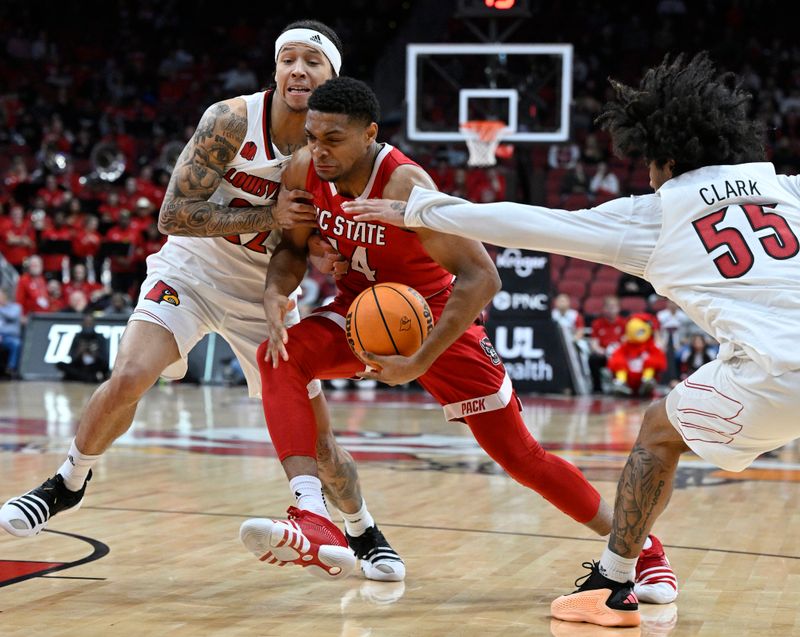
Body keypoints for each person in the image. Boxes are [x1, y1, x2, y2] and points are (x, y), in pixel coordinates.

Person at [342, 51, 793, 627]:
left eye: (648, 163)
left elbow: (532, 223)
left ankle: (614, 584)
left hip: (774, 373)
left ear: (669, 158)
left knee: (658, 434)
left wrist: (423, 209)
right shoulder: (788, 189)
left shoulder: (656, 215)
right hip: (772, 359)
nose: (646, 175)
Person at [0, 20, 404, 584]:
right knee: (131, 374)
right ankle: (66, 482)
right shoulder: (231, 120)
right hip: (190, 270)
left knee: (319, 443)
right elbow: (172, 215)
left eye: (313, 62)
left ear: (332, 78)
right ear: (275, 68)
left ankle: (362, 530)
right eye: (288, 58)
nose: (298, 70)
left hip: (263, 295)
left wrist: (323, 251)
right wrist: (269, 216)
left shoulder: (336, 148)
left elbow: (319, 238)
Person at [241, 77, 674, 598]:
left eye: (332, 139)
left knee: (522, 459)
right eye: (312, 136)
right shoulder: (303, 169)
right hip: (362, 312)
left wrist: (421, 359)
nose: (318, 149)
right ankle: (311, 513)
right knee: (280, 355)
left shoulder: (405, 185)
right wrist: (273, 291)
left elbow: (483, 277)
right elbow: (290, 250)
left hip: (438, 322)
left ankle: (644, 550)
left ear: (370, 134)